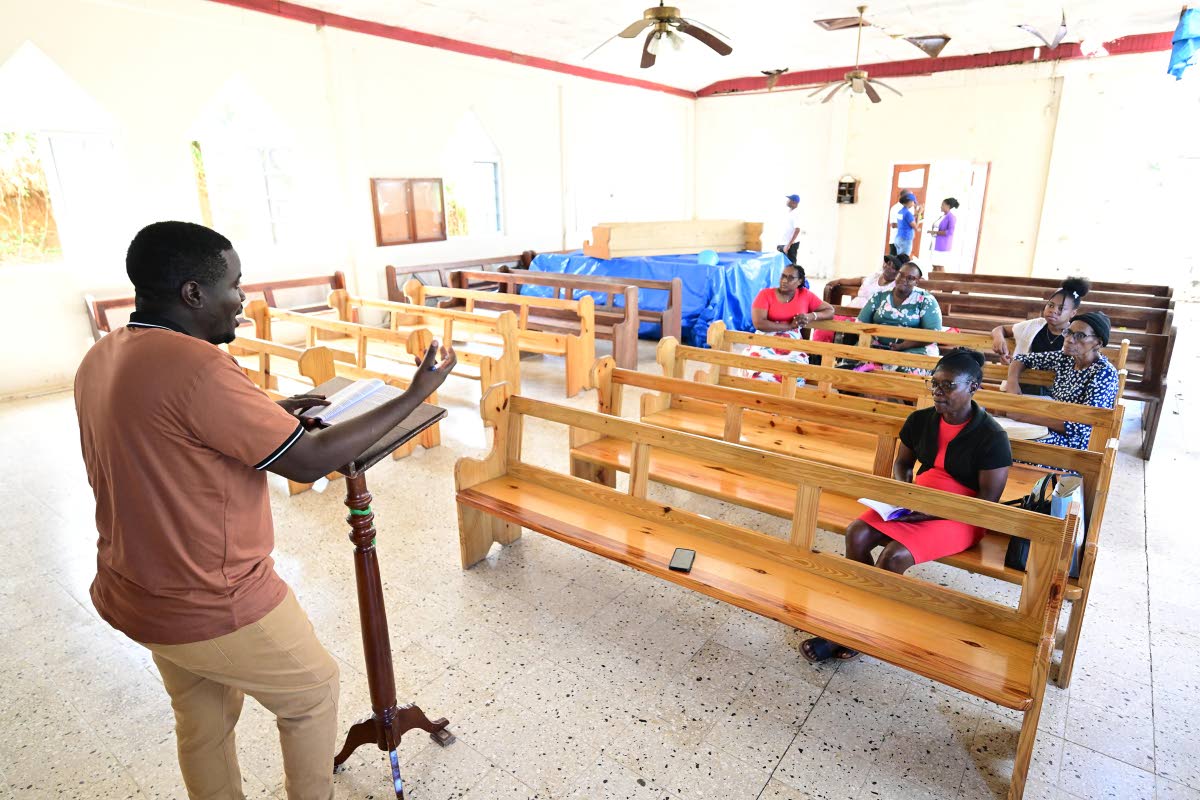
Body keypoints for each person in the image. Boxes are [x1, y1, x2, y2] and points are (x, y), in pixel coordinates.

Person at [74, 221, 457, 800]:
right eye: (235, 284)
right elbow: (305, 462)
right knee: (313, 691)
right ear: (193, 294)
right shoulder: (197, 367)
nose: (243, 299)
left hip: (137, 590)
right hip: (210, 596)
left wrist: (269, 413)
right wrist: (413, 395)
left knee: (203, 720)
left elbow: (164, 431)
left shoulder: (103, 355)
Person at [802, 349, 1012, 663]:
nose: (938, 393)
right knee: (856, 533)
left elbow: (987, 502)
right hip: (919, 497)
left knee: (894, 554)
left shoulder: (992, 435)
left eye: (949, 386)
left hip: (963, 513)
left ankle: (859, 631)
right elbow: (903, 464)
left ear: (973, 387)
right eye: (935, 384)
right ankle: (855, 612)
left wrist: (932, 511)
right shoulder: (920, 419)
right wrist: (905, 490)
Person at [1004, 310, 1119, 450]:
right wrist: (1012, 383)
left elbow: (1082, 427)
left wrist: (1023, 416)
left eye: (1080, 336)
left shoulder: (1104, 373)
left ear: (1098, 343)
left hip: (1077, 444)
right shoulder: (1066, 358)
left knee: (1011, 446)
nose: (1070, 339)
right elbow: (1021, 359)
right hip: (1051, 424)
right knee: (997, 437)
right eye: (1068, 332)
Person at [991, 277, 1090, 395]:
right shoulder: (1036, 325)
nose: (1053, 311)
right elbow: (1000, 329)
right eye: (1051, 305)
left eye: (1061, 308)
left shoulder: (1074, 337)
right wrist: (999, 338)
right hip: (1021, 384)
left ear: (1073, 313)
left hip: (1053, 393)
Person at [744, 263, 834, 384]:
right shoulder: (766, 294)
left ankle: (786, 401)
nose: (785, 281)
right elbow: (759, 323)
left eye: (790, 278)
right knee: (759, 369)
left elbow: (830, 311)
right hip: (764, 338)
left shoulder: (805, 295)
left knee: (794, 370)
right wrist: (789, 326)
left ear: (799, 281)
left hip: (792, 341)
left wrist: (811, 316)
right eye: (783, 276)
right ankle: (759, 400)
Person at [854, 259, 943, 373]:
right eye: (901, 275)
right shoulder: (880, 296)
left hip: (915, 348)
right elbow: (860, 323)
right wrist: (873, 342)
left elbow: (934, 334)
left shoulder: (925, 300)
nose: (903, 280)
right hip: (878, 345)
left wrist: (903, 346)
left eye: (910, 278)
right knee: (851, 362)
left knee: (904, 369)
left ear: (917, 282)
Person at [927, 197, 959, 271]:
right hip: (935, 243)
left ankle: (941, 282)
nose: (941, 206)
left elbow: (950, 232)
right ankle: (933, 281)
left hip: (942, 245)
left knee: (939, 266)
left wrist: (935, 232)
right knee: (934, 265)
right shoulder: (942, 216)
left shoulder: (951, 217)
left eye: (942, 205)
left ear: (948, 206)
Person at [776, 193, 802, 264]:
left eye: (789, 200)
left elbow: (797, 230)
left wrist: (788, 245)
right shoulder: (789, 212)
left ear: (794, 202)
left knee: (791, 265)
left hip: (790, 245)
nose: (787, 201)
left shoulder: (796, 214)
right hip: (784, 243)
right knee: (783, 264)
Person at [887, 190, 907, 256]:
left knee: (902, 265)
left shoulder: (907, 208)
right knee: (894, 264)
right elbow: (894, 224)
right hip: (895, 241)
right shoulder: (895, 208)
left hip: (904, 241)